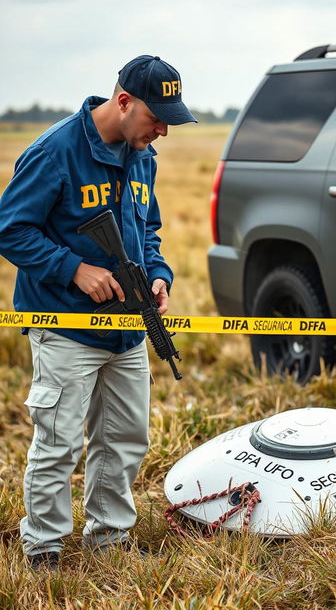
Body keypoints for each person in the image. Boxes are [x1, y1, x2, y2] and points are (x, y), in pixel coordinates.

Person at [0, 55, 196, 570]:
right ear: (124, 102)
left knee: (126, 438)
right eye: (158, 118)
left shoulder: (143, 157)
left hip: (127, 330)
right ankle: (43, 547)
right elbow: (11, 229)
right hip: (64, 324)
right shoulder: (54, 151)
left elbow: (146, 229)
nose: (163, 131)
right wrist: (73, 270)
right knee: (59, 442)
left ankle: (109, 538)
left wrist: (158, 274)